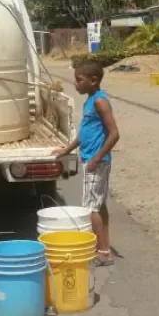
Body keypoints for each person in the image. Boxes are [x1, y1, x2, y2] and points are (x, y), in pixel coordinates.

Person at [52, 60, 120, 266]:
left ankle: (103, 253)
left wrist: (97, 157)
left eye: (79, 80)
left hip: (96, 161)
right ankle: (103, 247)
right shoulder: (89, 101)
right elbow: (84, 134)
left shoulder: (100, 101)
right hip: (90, 159)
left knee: (92, 208)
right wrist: (67, 149)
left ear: (94, 80)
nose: (76, 84)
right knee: (98, 205)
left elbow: (114, 134)